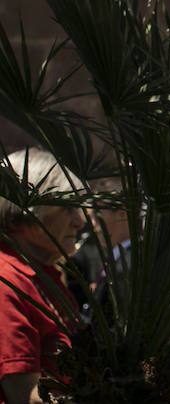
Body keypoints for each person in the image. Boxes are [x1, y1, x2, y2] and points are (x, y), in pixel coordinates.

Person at [0, 148, 83, 404]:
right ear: (26, 212)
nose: (80, 220)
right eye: (67, 208)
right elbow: (25, 394)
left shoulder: (41, 273)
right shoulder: (6, 281)